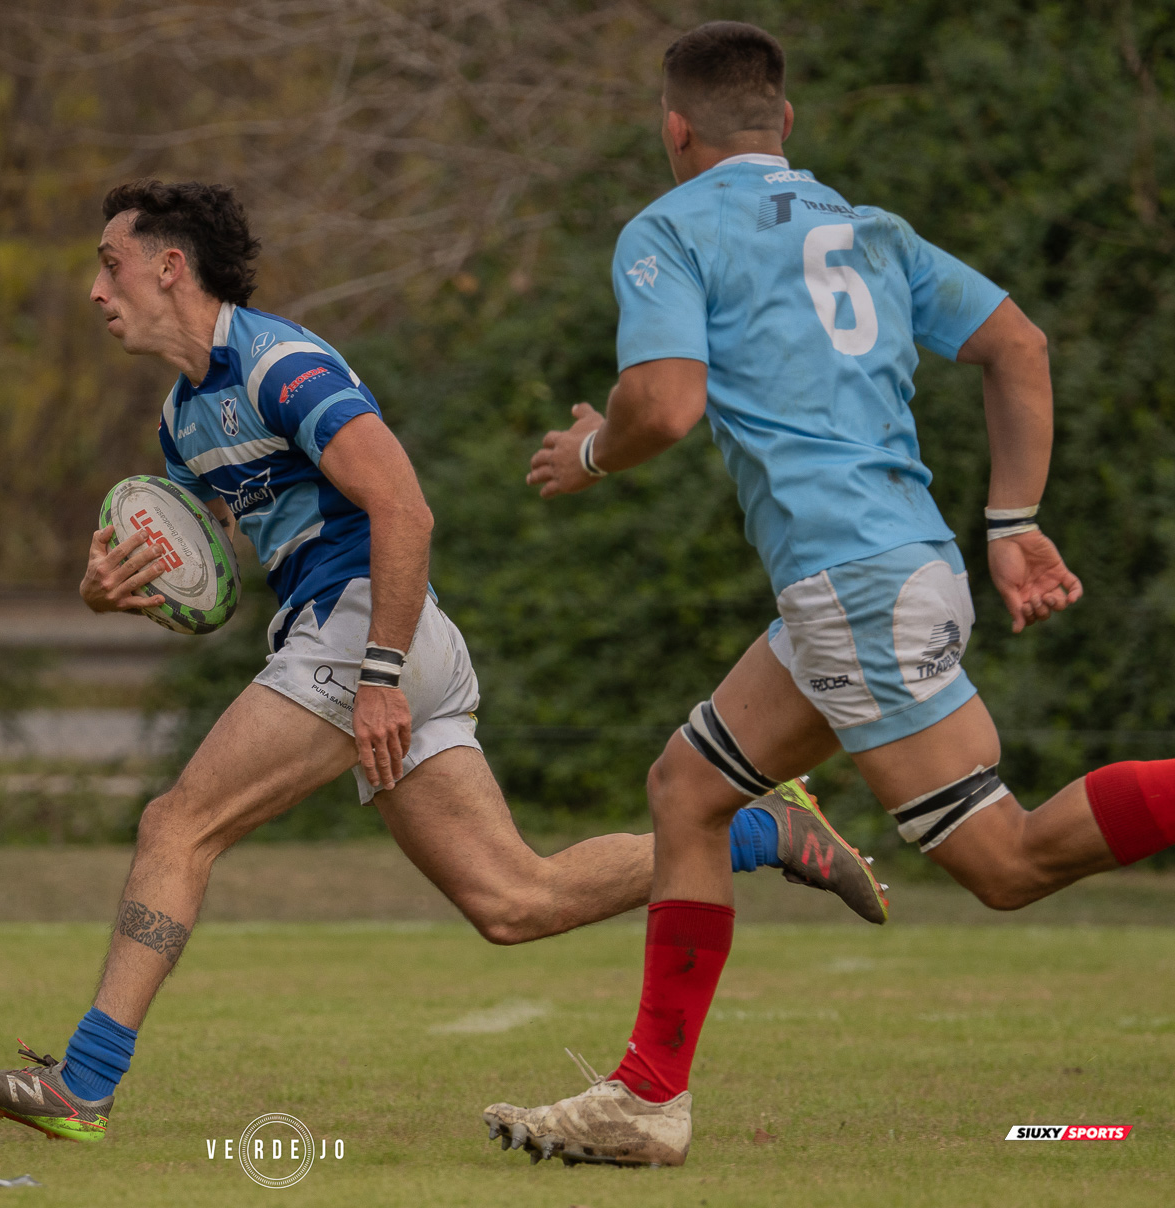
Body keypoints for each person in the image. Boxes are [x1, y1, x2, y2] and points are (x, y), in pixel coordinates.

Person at [0, 178, 885, 1143]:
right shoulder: (183, 420)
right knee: (516, 901)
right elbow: (212, 584)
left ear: (170, 266)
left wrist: (380, 676)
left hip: (365, 632)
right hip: (370, 641)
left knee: (176, 826)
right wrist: (120, 590)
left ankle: (84, 1086)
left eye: (111, 264)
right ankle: (767, 835)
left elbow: (405, 509)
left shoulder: (282, 365)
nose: (97, 290)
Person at [483, 20, 1175, 1170]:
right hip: (893, 572)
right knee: (688, 787)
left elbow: (663, 404)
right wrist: (1012, 523)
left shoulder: (669, 228)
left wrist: (590, 452)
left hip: (856, 591)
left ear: (675, 127)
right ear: (785, 123)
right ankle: (648, 1095)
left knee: (1004, 863)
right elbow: (1020, 345)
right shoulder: (870, 228)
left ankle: (651, 1093)